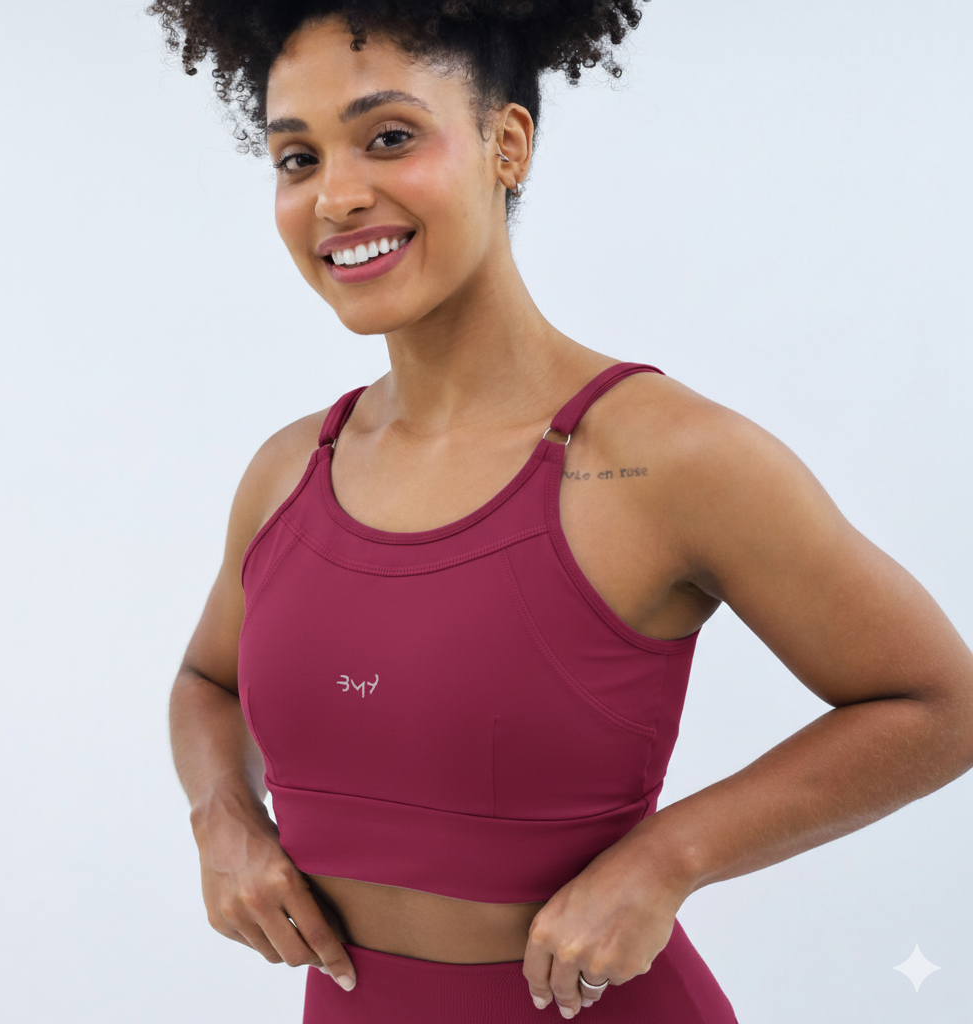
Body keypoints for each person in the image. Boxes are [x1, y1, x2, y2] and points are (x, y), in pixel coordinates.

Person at [147, 2, 973, 1021]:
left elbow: (939, 703)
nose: (337, 195)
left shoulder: (662, 457)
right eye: (297, 159)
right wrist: (220, 814)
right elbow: (205, 681)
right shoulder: (289, 471)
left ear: (507, 144)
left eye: (390, 137)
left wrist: (668, 858)